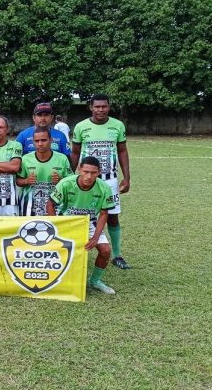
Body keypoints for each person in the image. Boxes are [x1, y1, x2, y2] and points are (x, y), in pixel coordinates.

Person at [71, 93, 131, 269]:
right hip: (85, 180)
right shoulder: (81, 127)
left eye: (104, 106)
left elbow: (122, 151)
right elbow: (75, 152)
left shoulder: (117, 125)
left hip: (109, 180)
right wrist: (69, 174)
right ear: (91, 107)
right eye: (97, 106)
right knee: (80, 215)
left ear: (109, 107)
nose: (100, 110)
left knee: (112, 217)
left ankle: (117, 255)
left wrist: (127, 177)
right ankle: (75, 251)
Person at [47, 156, 117, 294]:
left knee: (105, 251)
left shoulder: (104, 188)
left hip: (89, 221)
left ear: (99, 172)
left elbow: (104, 214)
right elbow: (50, 204)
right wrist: (55, 227)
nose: (89, 176)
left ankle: (95, 281)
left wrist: (95, 238)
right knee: (57, 250)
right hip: (66, 220)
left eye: (93, 173)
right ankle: (57, 278)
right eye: (86, 172)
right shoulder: (66, 183)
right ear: (79, 169)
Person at [16, 127, 72, 216]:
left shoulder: (62, 159)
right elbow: (17, 181)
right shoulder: (25, 159)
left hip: (55, 204)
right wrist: (26, 181)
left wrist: (61, 180)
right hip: (30, 206)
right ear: (33, 142)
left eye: (44, 140)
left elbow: (71, 182)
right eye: (37, 141)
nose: (40, 144)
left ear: (51, 140)